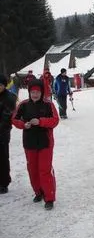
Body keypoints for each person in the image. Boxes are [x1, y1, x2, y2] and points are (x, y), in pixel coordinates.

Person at [12, 79, 59, 210]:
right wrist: (23, 125)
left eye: (37, 92)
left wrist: (40, 122)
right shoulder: (23, 104)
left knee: (44, 170)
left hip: (45, 142)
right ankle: (38, 192)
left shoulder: (48, 104)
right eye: (32, 92)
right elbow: (14, 119)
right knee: (32, 170)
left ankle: (49, 197)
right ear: (29, 92)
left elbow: (55, 120)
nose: (35, 94)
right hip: (29, 142)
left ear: (42, 92)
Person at [0, 74, 17, 194]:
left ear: (4, 85)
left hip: (3, 131)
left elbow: (7, 116)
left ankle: (4, 182)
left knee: (2, 157)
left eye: (0, 85)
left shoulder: (9, 97)